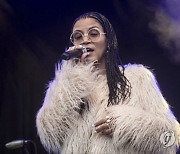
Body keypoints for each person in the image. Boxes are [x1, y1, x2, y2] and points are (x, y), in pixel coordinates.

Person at [36, 12, 180, 154]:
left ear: (108, 41)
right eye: (78, 36)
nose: (85, 40)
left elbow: (169, 139)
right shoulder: (64, 87)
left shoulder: (138, 78)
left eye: (93, 33)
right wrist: (71, 79)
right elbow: (50, 136)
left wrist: (128, 124)